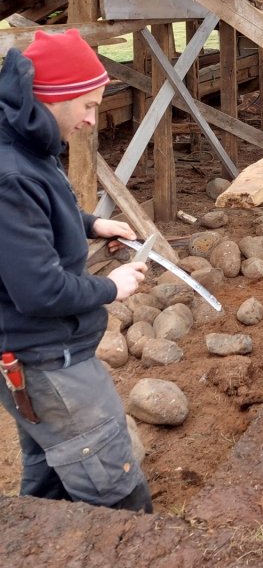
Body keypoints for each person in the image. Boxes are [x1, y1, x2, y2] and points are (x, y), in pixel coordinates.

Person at [0, 30, 152, 512]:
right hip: (46, 359)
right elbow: (41, 291)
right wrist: (110, 286)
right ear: (50, 98)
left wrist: (91, 224)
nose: (92, 119)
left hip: (27, 354)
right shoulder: (11, 173)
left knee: (49, 471)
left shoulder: (23, 141)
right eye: (86, 105)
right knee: (114, 488)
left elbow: (37, 215)